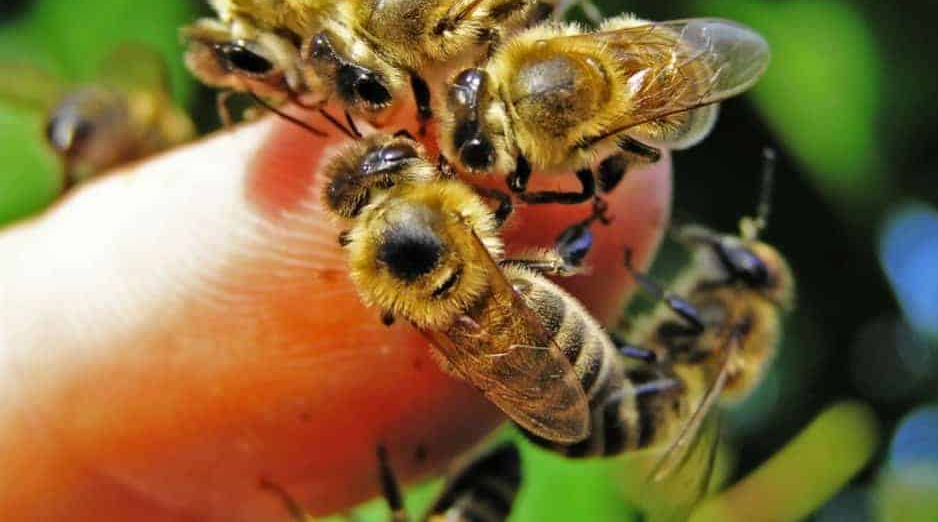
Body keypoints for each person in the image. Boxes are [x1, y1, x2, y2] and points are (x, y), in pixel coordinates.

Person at [0, 114, 670, 521]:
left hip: (506, 342)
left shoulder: (387, 266)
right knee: (549, 261)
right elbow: (488, 216)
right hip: (532, 322)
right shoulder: (437, 217)